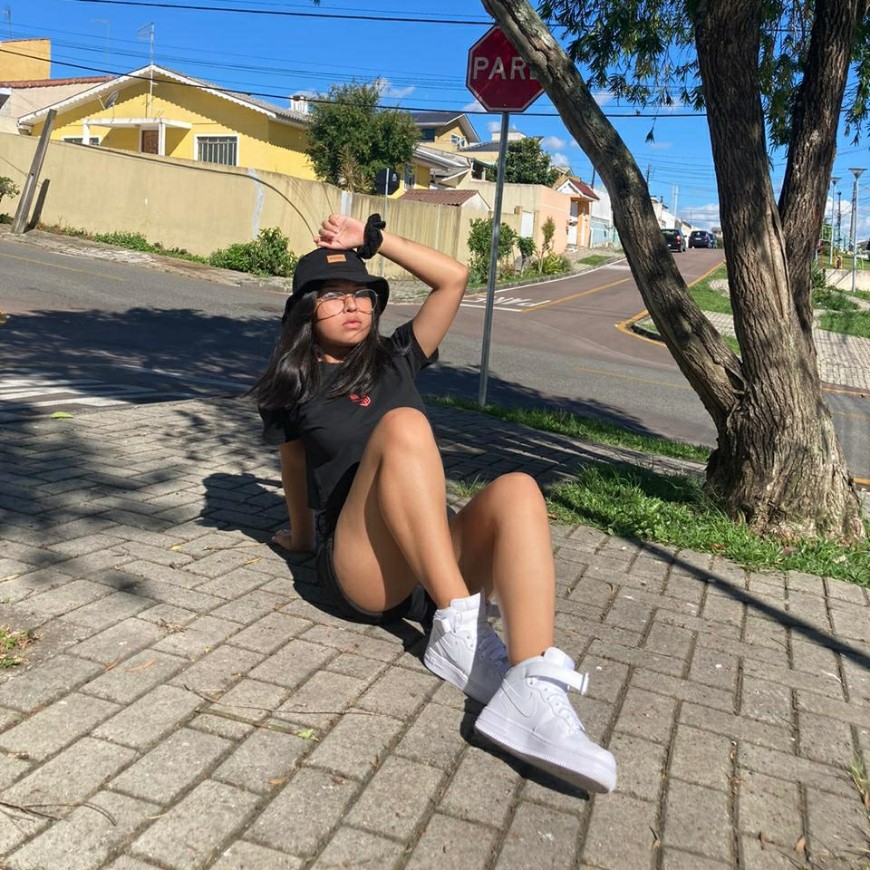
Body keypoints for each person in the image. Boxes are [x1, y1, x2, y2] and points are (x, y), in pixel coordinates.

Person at [251, 213, 617, 794]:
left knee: (520, 488)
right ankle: (457, 627)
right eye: (333, 297)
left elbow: (454, 278)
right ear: (305, 311)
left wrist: (372, 240)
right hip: (364, 570)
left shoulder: (396, 357)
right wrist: (298, 538)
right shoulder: (292, 385)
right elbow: (295, 469)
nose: (353, 307)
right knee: (404, 426)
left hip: (433, 563)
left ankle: (531, 684)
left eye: (362, 295)